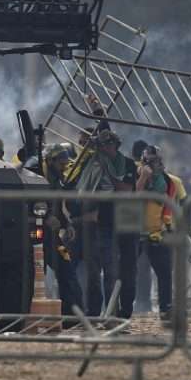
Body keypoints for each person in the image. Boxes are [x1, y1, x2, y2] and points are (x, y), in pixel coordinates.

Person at [74, 129, 135, 317]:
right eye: (102, 145)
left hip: (127, 223)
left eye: (108, 144)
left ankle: (122, 311)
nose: (105, 148)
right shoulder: (92, 165)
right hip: (103, 224)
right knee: (105, 270)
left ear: (115, 145)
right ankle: (102, 312)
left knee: (126, 271)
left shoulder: (127, 164)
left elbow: (125, 190)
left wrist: (108, 171)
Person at [134, 144, 184, 324]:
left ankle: (166, 309)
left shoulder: (168, 181)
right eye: (150, 160)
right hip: (136, 233)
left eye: (157, 161)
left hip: (158, 232)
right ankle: (126, 307)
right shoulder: (136, 173)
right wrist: (143, 177)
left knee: (164, 273)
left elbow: (175, 204)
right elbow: (132, 197)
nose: (154, 164)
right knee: (130, 272)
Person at [40, 143, 84, 319]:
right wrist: (45, 218)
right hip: (35, 237)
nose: (65, 167)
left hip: (51, 237)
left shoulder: (56, 180)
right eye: (61, 163)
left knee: (66, 270)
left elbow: (57, 207)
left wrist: (67, 224)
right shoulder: (37, 177)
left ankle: (72, 315)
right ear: (51, 161)